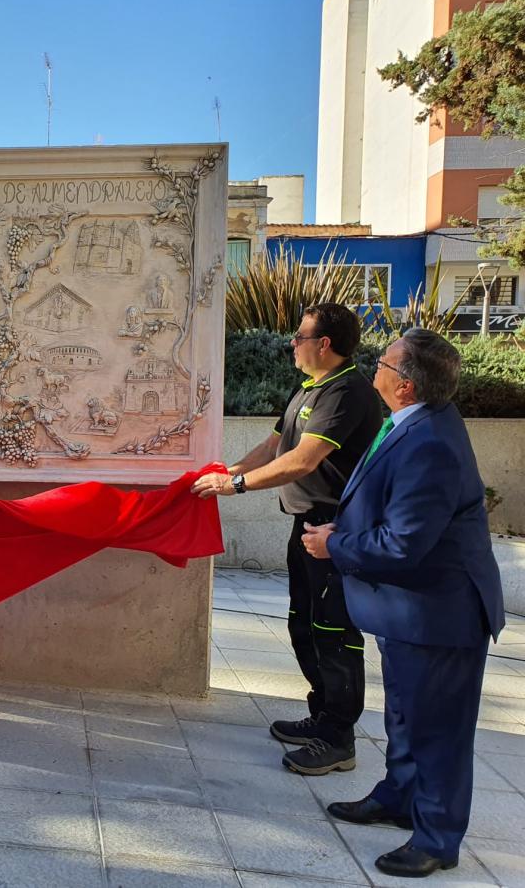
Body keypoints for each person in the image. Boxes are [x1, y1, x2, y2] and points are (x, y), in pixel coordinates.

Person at [303, 328, 504, 879]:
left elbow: (404, 542)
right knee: (406, 716)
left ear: (406, 385)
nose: (376, 368)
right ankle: (398, 797)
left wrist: (334, 544)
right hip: (411, 611)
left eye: (384, 363)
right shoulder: (415, 422)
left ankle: (437, 838)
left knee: (438, 728)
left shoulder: (432, 441)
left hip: (440, 615)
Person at [192, 303, 382, 775]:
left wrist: (235, 488)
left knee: (334, 632)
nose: (291, 344)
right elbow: (277, 446)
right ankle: (322, 716)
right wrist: (228, 471)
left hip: (337, 527)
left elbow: (304, 460)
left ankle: (339, 738)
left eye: (299, 337)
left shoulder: (347, 392)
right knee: (304, 623)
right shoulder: (310, 387)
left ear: (325, 344)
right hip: (305, 523)